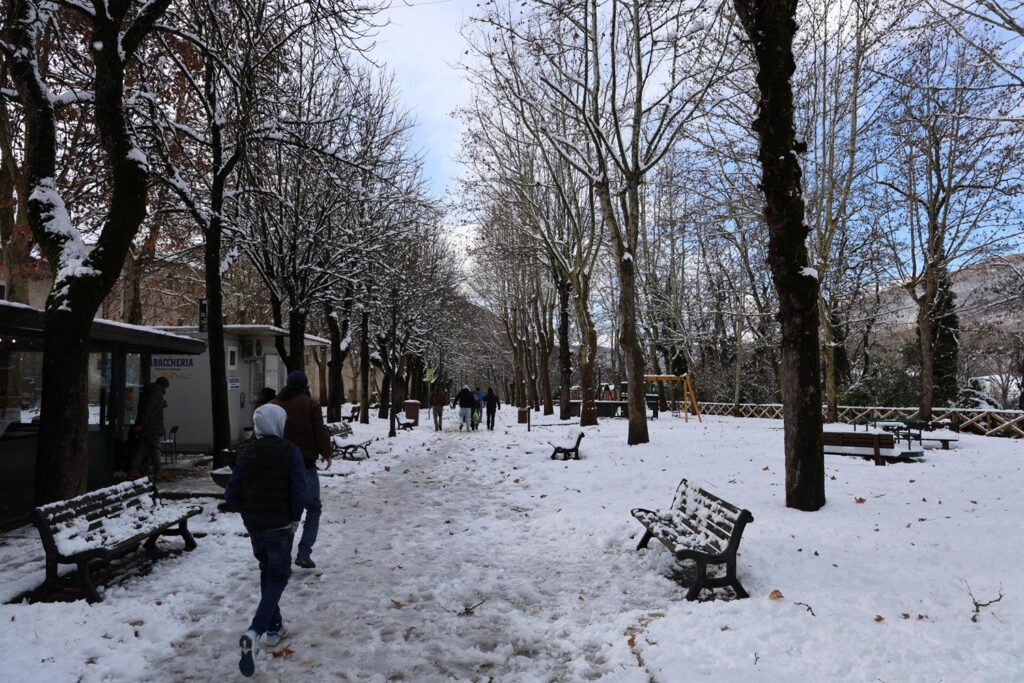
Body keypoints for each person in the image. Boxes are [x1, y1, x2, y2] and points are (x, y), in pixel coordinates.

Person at [225, 403, 306, 678]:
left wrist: (246, 511)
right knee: (278, 576)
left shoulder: (246, 453)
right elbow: (298, 488)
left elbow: (232, 493)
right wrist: (295, 517)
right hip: (280, 526)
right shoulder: (290, 451)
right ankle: (256, 631)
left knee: (266, 571)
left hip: (256, 526)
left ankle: (274, 628)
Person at [272, 371, 331, 569]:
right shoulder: (311, 404)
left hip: (281, 466)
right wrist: (326, 452)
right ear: (305, 385)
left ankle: (282, 557)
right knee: (313, 508)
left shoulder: (275, 404)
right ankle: (304, 552)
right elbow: (319, 431)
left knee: (285, 512)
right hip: (305, 465)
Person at [130, 376, 169, 478]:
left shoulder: (150, 391)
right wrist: (142, 424)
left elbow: (147, 407)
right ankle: (158, 471)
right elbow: (148, 409)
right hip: (151, 427)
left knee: (144, 448)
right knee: (153, 448)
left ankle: (134, 470)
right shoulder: (156, 392)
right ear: (163, 385)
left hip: (148, 426)